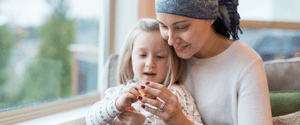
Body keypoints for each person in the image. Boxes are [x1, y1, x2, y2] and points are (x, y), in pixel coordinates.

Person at [135, 0, 273, 125]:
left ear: (210, 17)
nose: (170, 40)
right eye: (163, 26)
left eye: (181, 27)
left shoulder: (246, 63)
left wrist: (182, 123)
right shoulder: (165, 55)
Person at [86, 18, 203, 125]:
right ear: (130, 59)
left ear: (172, 62)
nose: (150, 64)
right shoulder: (120, 93)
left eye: (160, 56)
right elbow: (90, 120)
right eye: (142, 55)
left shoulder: (176, 94)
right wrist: (117, 105)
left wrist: (144, 123)